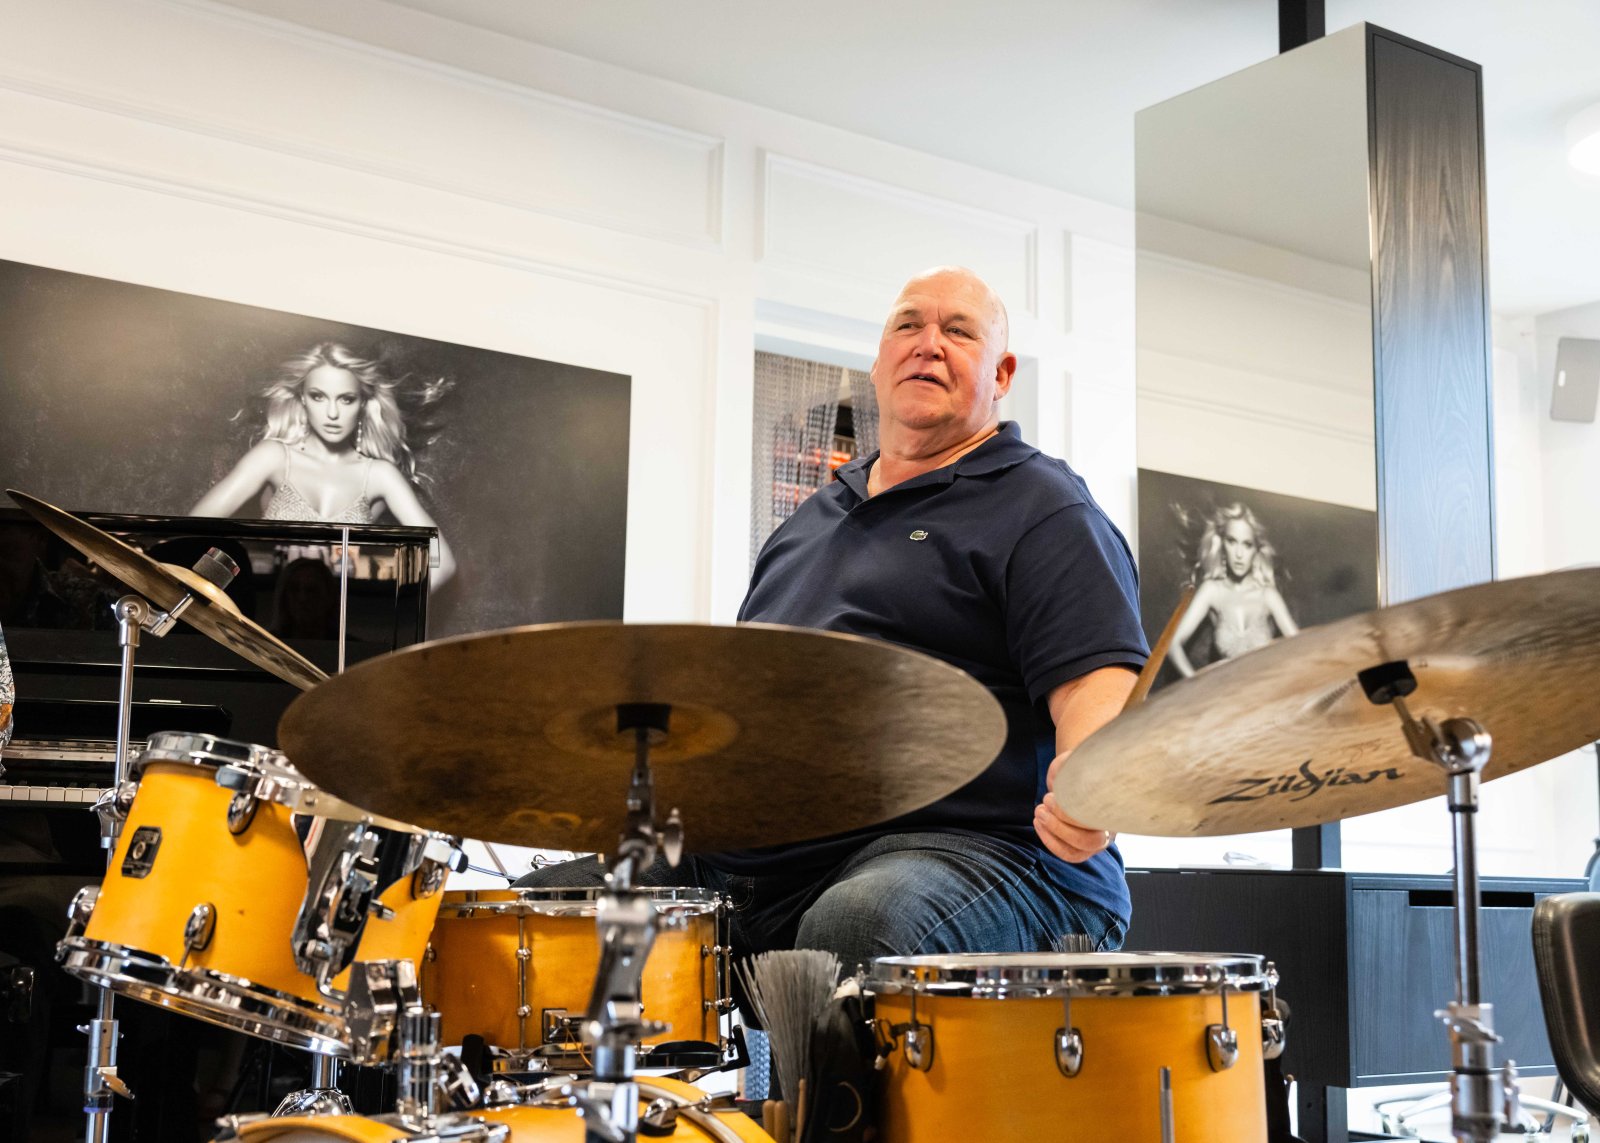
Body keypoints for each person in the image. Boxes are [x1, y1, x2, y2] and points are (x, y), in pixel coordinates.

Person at [519, 266, 1148, 971]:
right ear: (879, 363)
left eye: (958, 331)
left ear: (1001, 374)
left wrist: (1092, 787)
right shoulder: (809, 522)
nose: (928, 343)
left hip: (985, 853)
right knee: (548, 913)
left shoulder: (1044, 506)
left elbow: (1096, 684)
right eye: (908, 325)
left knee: (857, 921)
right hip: (767, 864)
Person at [191, 342, 456, 586]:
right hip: (263, 613)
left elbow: (442, 564)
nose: (332, 413)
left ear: (363, 403)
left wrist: (380, 610)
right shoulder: (274, 457)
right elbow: (189, 532)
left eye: (346, 399)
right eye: (318, 396)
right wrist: (226, 598)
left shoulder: (379, 475)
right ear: (302, 398)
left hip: (335, 619)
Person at [1168, 502, 1298, 677]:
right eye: (1232, 541)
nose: (1239, 554)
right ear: (1222, 544)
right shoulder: (1211, 591)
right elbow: (1173, 644)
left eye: (1247, 544)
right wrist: (1196, 683)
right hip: (1223, 690)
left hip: (1266, 689)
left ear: (1257, 549)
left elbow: (1301, 648)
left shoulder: (1268, 596)